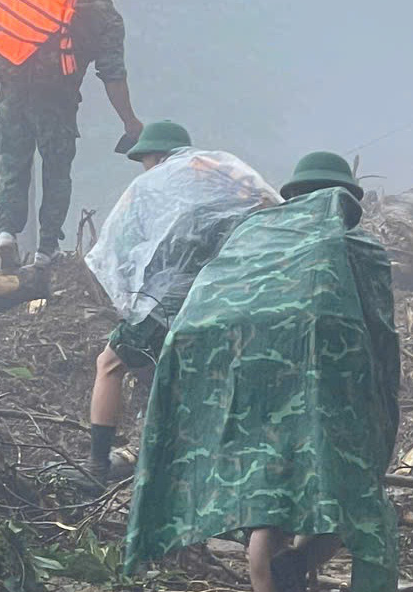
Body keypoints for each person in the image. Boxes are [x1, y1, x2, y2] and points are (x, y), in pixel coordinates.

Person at [125, 151, 402, 592]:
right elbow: (381, 339)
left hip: (253, 400)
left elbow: (200, 319)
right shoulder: (356, 249)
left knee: (267, 512)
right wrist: (382, 407)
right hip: (328, 401)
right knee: (349, 498)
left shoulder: (253, 246)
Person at [81, 120, 278, 481]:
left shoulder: (159, 186)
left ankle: (96, 466)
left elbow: (126, 248)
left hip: (167, 303)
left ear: (156, 156)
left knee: (109, 363)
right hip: (225, 302)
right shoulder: (226, 179)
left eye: (145, 160)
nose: (146, 168)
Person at [0, 0, 142, 271]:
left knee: (13, 167)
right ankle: (46, 252)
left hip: (11, 93)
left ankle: (6, 235)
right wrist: (130, 121)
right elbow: (112, 73)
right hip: (55, 100)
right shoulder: (106, 15)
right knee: (56, 172)